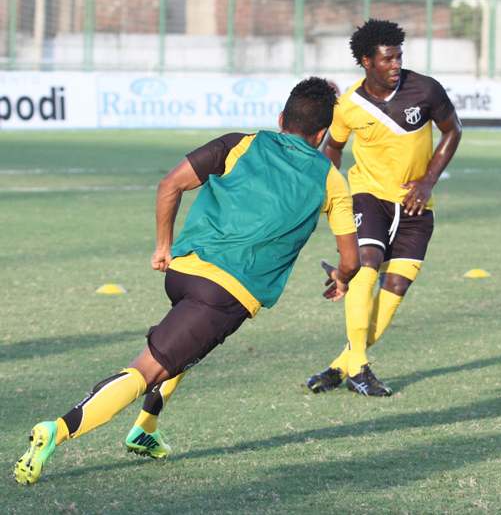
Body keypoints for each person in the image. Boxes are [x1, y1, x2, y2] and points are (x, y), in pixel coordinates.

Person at [14, 77, 361, 484]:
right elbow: (351, 259)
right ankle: (56, 430)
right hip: (226, 293)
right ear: (322, 135)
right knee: (146, 370)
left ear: (281, 117)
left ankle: (145, 429)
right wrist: (341, 278)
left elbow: (171, 184)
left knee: (184, 346)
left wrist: (164, 246)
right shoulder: (330, 179)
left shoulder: (239, 143)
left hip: (184, 272)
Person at [306, 19, 462, 397]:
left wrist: (427, 181)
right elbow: (333, 147)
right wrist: (324, 191)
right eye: (388, 59)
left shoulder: (425, 89)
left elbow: (452, 129)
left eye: (399, 57)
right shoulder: (348, 105)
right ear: (367, 61)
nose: (396, 65)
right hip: (368, 194)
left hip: (415, 203)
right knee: (367, 263)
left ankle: (341, 366)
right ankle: (360, 368)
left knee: (395, 286)